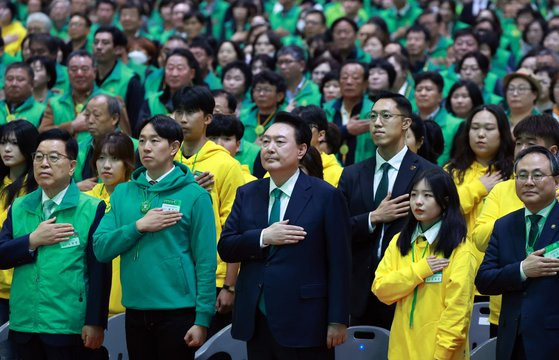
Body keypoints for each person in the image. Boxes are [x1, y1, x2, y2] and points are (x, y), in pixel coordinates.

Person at [218, 111, 351, 359]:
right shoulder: (247, 192)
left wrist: (338, 319)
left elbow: (340, 262)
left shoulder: (326, 196)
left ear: (301, 150)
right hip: (256, 318)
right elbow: (226, 247)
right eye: (265, 141)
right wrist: (263, 237)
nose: (269, 148)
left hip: (306, 318)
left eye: (279, 142)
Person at [93, 115, 217, 360]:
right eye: (141, 140)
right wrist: (139, 226)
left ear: (174, 147)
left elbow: (205, 261)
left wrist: (202, 319)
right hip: (135, 309)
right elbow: (101, 248)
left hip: (178, 311)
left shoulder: (195, 195)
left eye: (155, 140)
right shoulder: (123, 192)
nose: (146, 147)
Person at [0, 128, 110, 359]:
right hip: (23, 322)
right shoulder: (19, 206)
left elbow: (99, 269)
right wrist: (32, 240)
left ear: (71, 166)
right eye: (38, 157)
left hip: (68, 324)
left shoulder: (91, 208)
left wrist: (95, 322)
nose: (44, 164)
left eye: (53, 157)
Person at [339, 92, 437, 329]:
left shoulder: (430, 174)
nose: (377, 123)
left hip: (410, 287)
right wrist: (373, 218)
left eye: (385, 116)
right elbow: (336, 229)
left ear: (405, 123)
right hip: (358, 291)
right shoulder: (352, 174)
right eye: (372, 117)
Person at [373, 168, 476, 359]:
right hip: (400, 351)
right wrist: (420, 270)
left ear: (445, 201)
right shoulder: (399, 241)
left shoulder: (460, 247)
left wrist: (440, 356)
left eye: (427, 195)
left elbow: (457, 313)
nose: (418, 202)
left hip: (441, 355)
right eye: (414, 195)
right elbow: (381, 289)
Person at [473, 114, 559, 337]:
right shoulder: (504, 195)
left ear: (553, 152)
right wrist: (524, 215)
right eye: (518, 142)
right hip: (507, 315)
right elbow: (479, 238)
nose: (522, 149)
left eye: (530, 144)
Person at [172, 86, 245, 337]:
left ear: (207, 118)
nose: (182, 119)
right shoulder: (166, 161)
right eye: (178, 112)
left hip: (213, 279)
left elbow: (235, 229)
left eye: (190, 112)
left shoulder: (226, 164)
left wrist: (230, 286)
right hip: (173, 276)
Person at [446, 105, 514, 261]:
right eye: (475, 128)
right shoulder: (451, 171)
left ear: (502, 133)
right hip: (455, 260)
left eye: (489, 128)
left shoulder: (515, 173)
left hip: (499, 259)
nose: (481, 134)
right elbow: (440, 211)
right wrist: (479, 187)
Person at [0, 120, 39, 359]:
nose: (6, 149)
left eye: (14, 143)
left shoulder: (35, 190)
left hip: (20, 290)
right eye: (3, 142)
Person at [86, 132, 135, 318]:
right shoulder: (86, 199)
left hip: (127, 292)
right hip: (91, 291)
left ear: (127, 163)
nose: (106, 165)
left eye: (115, 159)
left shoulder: (139, 197)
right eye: (101, 158)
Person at [39, 50, 105, 143]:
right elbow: (42, 134)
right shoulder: (54, 102)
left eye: (84, 69)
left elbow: (122, 136)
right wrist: (72, 126)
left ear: (94, 71)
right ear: (67, 72)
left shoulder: (109, 100)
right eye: (74, 69)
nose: (79, 74)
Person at [75, 93, 134, 188]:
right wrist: (76, 188)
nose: (90, 120)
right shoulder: (78, 148)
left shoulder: (135, 148)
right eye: (87, 115)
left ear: (114, 118)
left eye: (96, 115)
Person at [93, 26, 144, 132]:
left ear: (118, 49)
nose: (98, 47)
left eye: (105, 43)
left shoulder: (131, 80)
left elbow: (134, 122)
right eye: (96, 42)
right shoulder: (88, 75)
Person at [324, 61, 373, 166]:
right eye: (344, 78)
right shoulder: (326, 109)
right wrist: (345, 130)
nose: (349, 82)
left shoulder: (374, 110)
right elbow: (318, 142)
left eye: (355, 78)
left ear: (365, 84)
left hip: (364, 173)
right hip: (329, 174)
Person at [414, 71, 462, 166]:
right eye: (419, 89)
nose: (423, 93)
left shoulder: (457, 124)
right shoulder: (407, 122)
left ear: (440, 96)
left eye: (428, 89)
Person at [292, 105, 344, 187]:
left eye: (306, 127)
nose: (298, 133)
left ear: (321, 135)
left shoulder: (339, 175)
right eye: (293, 128)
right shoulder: (279, 168)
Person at [206, 113, 259, 179]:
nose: (219, 144)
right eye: (213, 138)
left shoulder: (249, 182)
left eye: (227, 139)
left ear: (238, 145)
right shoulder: (191, 172)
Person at [0, 62, 45, 127]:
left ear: (32, 85)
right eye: (10, 79)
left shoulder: (42, 111)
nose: (14, 84)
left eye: (20, 79)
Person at [276, 45, 321, 110]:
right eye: (280, 62)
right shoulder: (275, 91)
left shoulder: (315, 90)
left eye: (288, 62)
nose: (283, 67)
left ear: (302, 65)